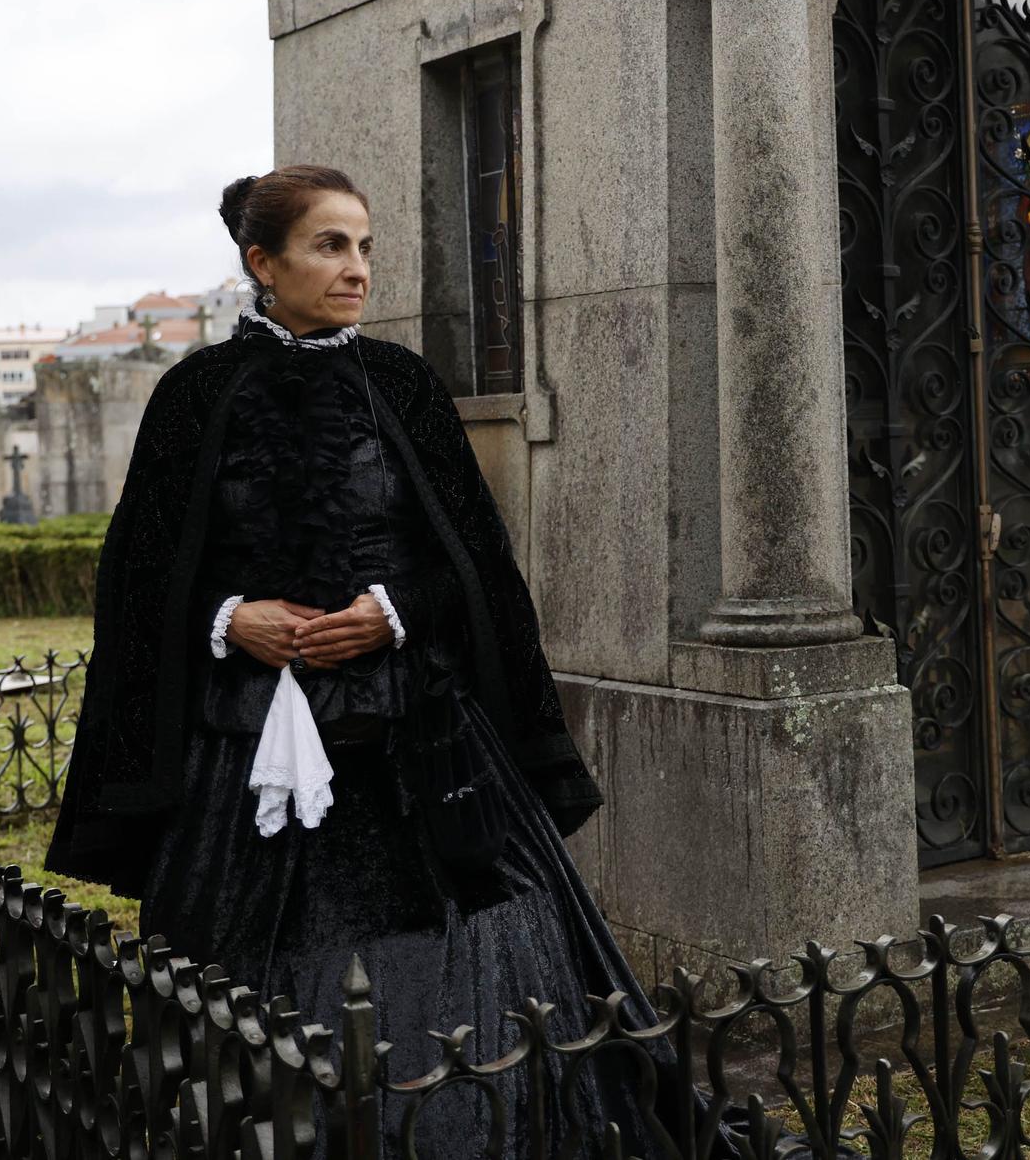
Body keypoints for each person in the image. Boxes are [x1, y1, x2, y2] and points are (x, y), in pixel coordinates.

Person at [44, 165, 681, 1156]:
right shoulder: (194, 396)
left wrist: (390, 611)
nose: (355, 269)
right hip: (248, 744)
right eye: (328, 246)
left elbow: (471, 559)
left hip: (415, 739)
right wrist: (229, 618)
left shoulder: (401, 388)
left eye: (364, 246)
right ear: (263, 262)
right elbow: (143, 574)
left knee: (465, 997)